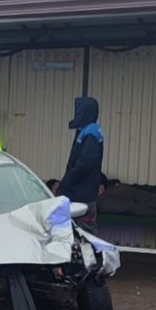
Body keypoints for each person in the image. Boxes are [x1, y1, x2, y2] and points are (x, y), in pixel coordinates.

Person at [56, 96, 104, 230]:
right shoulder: (88, 130)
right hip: (82, 193)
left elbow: (85, 164)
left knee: (85, 233)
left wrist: (68, 180)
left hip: (81, 195)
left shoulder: (90, 132)